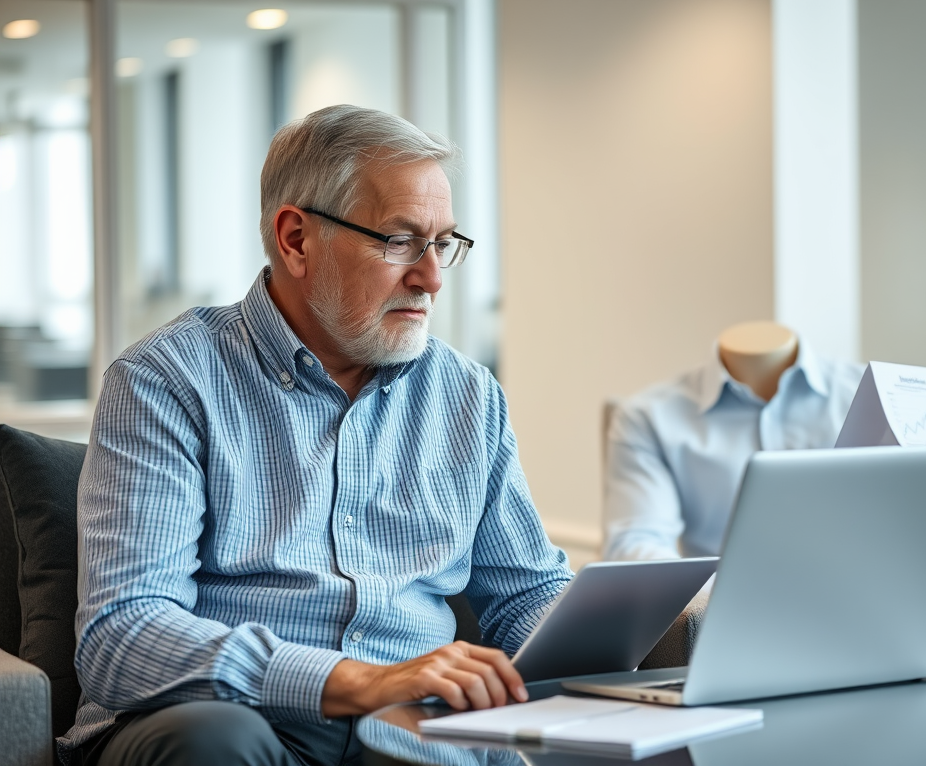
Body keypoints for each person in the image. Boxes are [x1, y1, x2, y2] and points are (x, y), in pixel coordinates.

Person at [59, 104, 572, 766]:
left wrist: (583, 662)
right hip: (230, 721)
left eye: (443, 243)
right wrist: (354, 681)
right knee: (215, 742)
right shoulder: (166, 380)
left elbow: (525, 592)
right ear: (297, 239)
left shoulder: (467, 396)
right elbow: (121, 638)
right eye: (399, 241)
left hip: (408, 733)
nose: (432, 277)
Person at [603, 321, 864, 561]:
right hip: (713, 604)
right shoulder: (647, 417)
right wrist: (714, 596)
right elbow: (635, 543)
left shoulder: (870, 393)